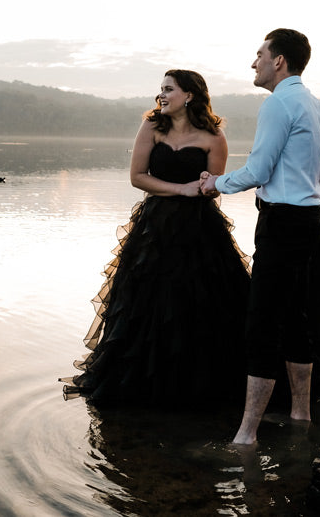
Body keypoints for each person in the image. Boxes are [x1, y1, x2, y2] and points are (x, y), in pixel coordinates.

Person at [61, 69, 251, 408]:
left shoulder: (213, 137)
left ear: (190, 95)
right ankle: (143, 388)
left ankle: (196, 388)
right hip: (154, 230)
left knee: (199, 307)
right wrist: (179, 188)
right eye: (161, 89)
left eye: (169, 89)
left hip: (199, 232)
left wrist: (208, 183)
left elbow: (212, 189)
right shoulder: (152, 126)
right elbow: (137, 177)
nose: (161, 94)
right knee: (144, 306)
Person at [200, 28, 320, 444]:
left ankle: (247, 433)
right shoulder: (315, 105)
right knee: (297, 316)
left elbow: (258, 171)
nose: (254, 62)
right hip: (309, 220)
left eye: (259, 54)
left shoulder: (278, 104)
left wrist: (214, 184)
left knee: (262, 323)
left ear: (279, 61)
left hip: (282, 223)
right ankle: (299, 415)